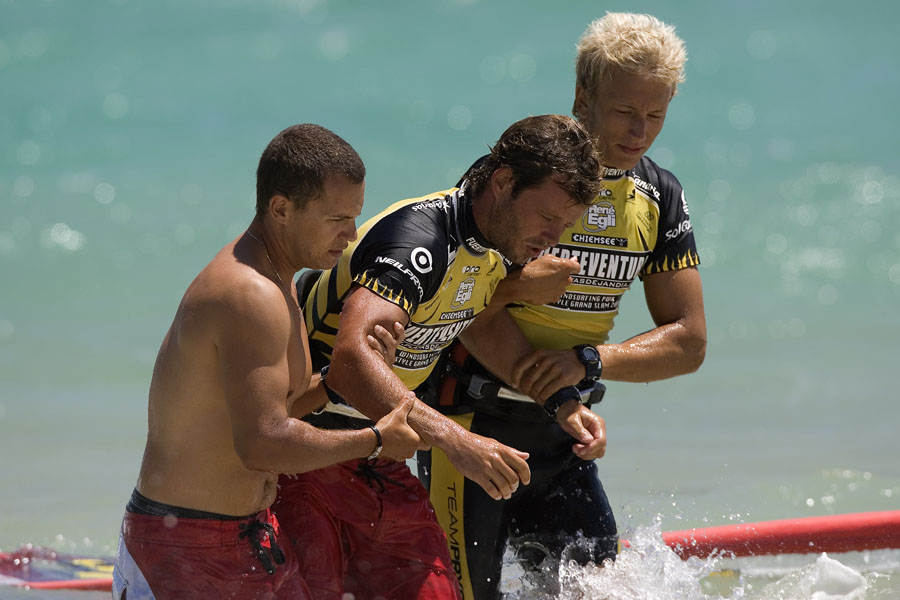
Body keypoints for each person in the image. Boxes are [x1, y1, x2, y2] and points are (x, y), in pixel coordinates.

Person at [419, 12, 708, 599]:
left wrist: (589, 362)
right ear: (583, 97)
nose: (640, 132)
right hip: (472, 429)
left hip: (565, 440)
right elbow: (457, 307)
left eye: (656, 115)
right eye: (625, 111)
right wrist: (520, 292)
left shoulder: (660, 196)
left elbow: (688, 340)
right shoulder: (516, 176)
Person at [271, 114, 604, 600]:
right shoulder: (420, 241)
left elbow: (479, 322)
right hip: (306, 450)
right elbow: (351, 361)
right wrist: (456, 441)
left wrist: (561, 401)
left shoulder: (495, 246)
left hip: (379, 453)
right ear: (503, 182)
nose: (554, 236)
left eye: (566, 225)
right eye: (547, 217)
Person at [111, 124, 422, 599]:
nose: (351, 235)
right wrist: (375, 441)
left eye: (355, 217)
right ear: (281, 209)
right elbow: (263, 443)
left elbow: (275, 409)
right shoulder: (249, 293)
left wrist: (334, 383)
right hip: (186, 547)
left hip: (248, 535)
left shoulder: (277, 278)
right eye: (337, 219)